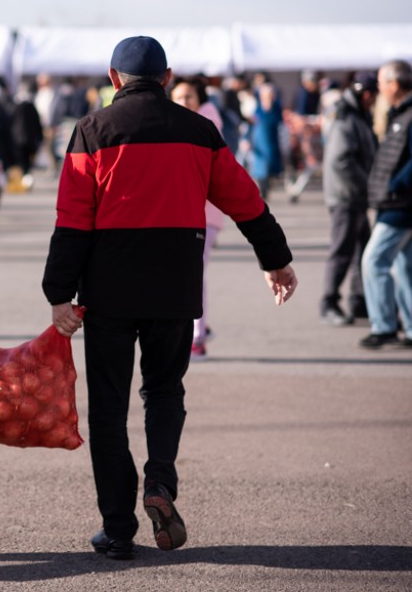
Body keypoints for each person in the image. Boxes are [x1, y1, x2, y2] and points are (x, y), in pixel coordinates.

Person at [42, 36, 298, 560]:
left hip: (109, 290)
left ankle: (118, 529)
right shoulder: (199, 130)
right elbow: (244, 199)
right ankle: (159, 480)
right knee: (163, 392)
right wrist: (275, 259)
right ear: (167, 77)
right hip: (175, 286)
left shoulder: (93, 129)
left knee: (108, 409)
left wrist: (58, 292)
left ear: (113, 78)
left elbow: (72, 218)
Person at [169, 75, 227, 360]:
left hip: (203, 214)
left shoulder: (204, 125)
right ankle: (198, 327)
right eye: (178, 97)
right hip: (183, 213)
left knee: (193, 275)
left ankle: (197, 337)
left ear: (200, 99)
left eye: (189, 97)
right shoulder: (183, 123)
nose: (183, 102)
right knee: (184, 274)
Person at [359, 60, 412, 349]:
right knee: (404, 266)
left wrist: (394, 183)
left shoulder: (407, 114)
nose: (379, 88)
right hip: (396, 203)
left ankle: (384, 326)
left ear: (394, 84)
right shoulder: (399, 113)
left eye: (381, 82)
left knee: (374, 261)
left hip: (400, 205)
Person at [320, 73, 378, 326]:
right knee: (342, 250)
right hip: (345, 195)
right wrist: (370, 184)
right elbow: (341, 160)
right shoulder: (346, 117)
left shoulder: (356, 114)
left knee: (362, 249)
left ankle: (359, 300)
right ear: (367, 94)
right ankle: (329, 303)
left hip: (354, 194)